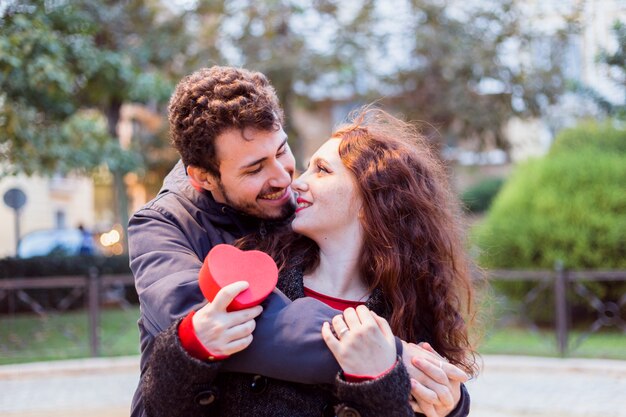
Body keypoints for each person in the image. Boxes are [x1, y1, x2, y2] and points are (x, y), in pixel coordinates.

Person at [129, 66, 470, 417]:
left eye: (282, 151)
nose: (286, 179)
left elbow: (436, 379)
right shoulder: (163, 226)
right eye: (254, 169)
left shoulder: (393, 285)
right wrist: (389, 356)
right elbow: (237, 327)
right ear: (204, 177)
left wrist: (449, 401)